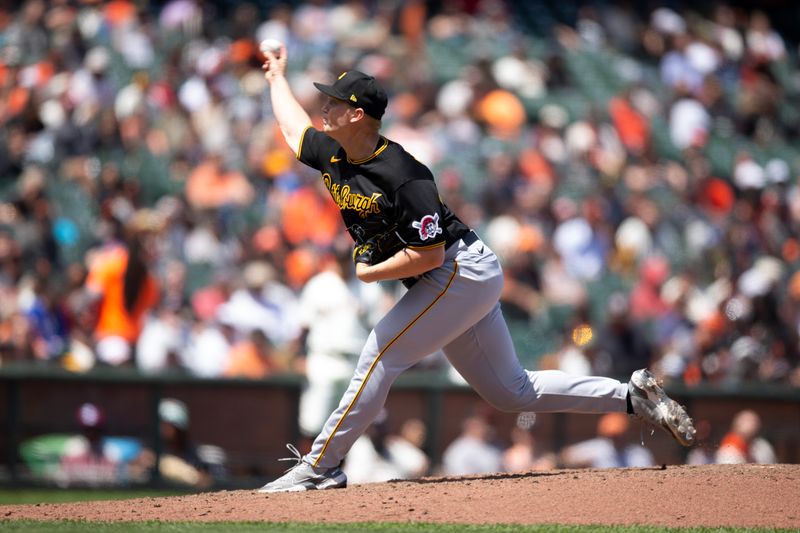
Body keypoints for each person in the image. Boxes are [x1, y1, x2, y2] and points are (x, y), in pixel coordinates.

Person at [256, 44, 696, 493]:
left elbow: (428, 255)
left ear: (357, 116)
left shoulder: (404, 174)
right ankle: (631, 396)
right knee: (512, 393)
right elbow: (293, 129)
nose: (323, 107)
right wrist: (276, 77)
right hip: (451, 279)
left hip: (458, 271)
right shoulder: (333, 151)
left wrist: (372, 273)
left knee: (381, 354)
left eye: (334, 102)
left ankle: (320, 466)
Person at [558, 412, 655, 469]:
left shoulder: (639, 454)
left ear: (627, 433)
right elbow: (566, 455)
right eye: (611, 436)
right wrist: (577, 463)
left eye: (619, 435)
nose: (616, 439)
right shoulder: (597, 448)